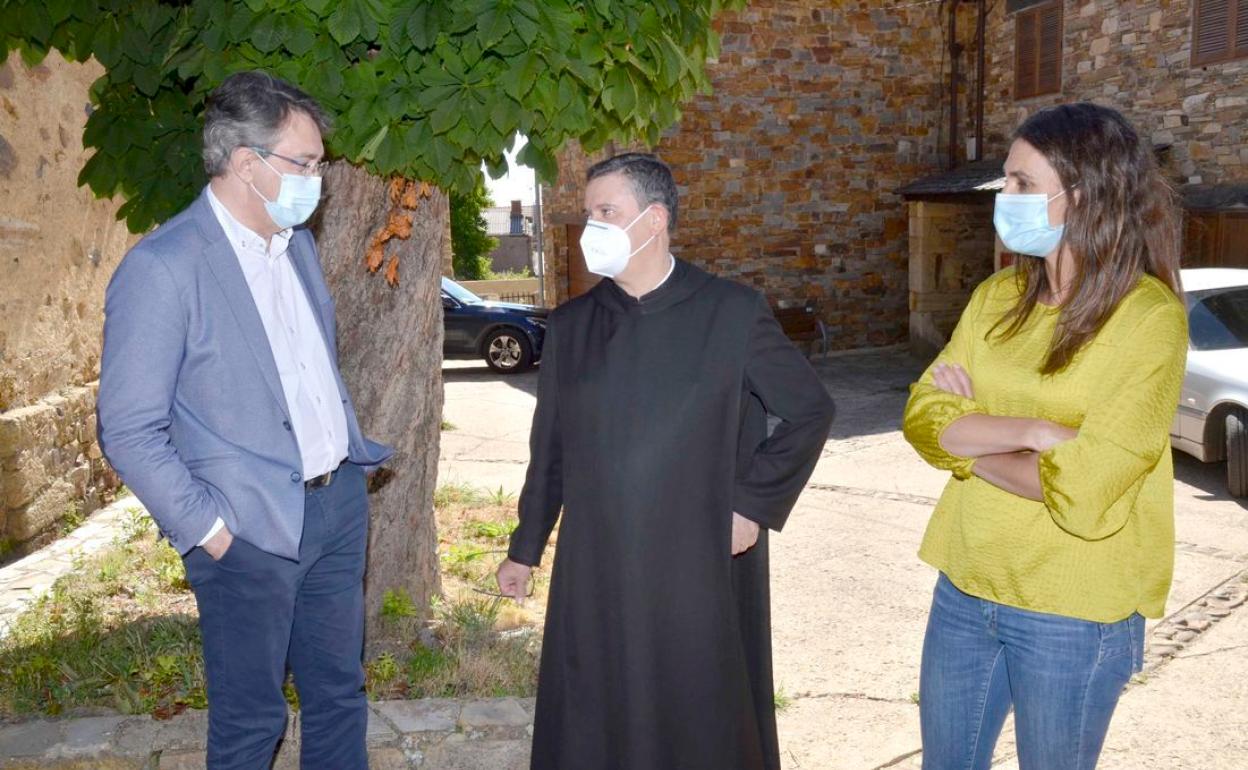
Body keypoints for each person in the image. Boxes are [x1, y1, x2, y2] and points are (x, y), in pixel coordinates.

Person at [495, 152, 835, 770]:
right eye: (589, 211)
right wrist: (526, 546)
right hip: (596, 560)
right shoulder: (572, 325)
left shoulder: (730, 312)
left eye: (606, 212)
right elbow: (551, 448)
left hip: (694, 556)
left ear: (653, 221)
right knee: (597, 706)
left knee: (694, 709)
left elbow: (809, 410)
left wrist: (752, 504)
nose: (590, 225)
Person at [97, 71, 392, 769]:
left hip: (337, 507)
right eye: (307, 163)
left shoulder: (298, 248)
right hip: (247, 532)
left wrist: (347, 467)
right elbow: (129, 429)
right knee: (250, 723)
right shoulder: (163, 268)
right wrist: (211, 532)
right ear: (247, 165)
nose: (318, 179)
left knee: (339, 697)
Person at [902, 102, 1187, 770]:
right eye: (1007, 181)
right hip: (967, 585)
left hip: (1075, 610)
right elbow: (921, 418)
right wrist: (1031, 432)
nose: (1006, 196)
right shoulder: (997, 296)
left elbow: (1086, 488)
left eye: (1023, 184)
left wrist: (969, 441)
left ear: (1082, 197)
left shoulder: (1149, 321)